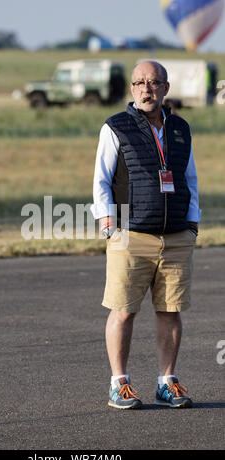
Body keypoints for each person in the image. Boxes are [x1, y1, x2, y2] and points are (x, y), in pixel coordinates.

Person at [90, 60, 201, 409]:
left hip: (176, 236)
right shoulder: (115, 127)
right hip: (130, 234)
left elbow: (190, 178)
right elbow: (101, 181)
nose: (146, 89)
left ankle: (167, 382)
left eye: (153, 82)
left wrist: (192, 222)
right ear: (132, 89)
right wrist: (109, 225)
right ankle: (118, 383)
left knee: (170, 311)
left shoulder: (181, 129)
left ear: (166, 88)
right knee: (123, 310)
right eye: (139, 83)